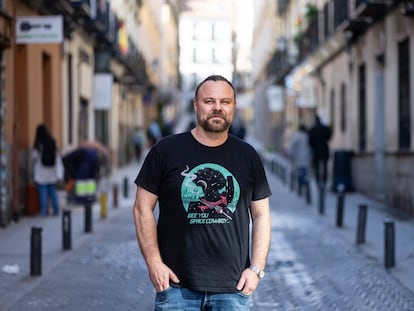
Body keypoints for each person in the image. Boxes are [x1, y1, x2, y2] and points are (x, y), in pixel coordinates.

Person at [133, 75, 272, 310]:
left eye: (225, 101)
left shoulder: (247, 156)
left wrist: (256, 269)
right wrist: (154, 263)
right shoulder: (165, 151)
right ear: (195, 105)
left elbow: (261, 216)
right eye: (209, 101)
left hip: (233, 289)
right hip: (176, 289)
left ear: (233, 107)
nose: (217, 107)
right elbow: (141, 208)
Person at [33, 124, 64, 216]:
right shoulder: (52, 141)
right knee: (52, 192)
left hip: (41, 171)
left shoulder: (39, 143)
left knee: (42, 192)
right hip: (52, 171)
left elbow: (34, 156)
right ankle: (56, 210)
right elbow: (57, 156)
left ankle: (44, 211)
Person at [308, 114, 332, 186]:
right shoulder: (325, 128)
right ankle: (324, 180)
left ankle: (318, 180)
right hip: (324, 148)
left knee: (317, 166)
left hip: (316, 150)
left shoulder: (313, 129)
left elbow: (310, 141)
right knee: (324, 166)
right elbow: (329, 136)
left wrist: (314, 146)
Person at [288, 124, 311, 194]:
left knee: (299, 172)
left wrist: (291, 155)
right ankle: (303, 186)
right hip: (306, 158)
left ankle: (300, 187)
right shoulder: (307, 136)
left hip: (298, 158)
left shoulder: (296, 136)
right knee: (304, 172)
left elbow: (292, 147)